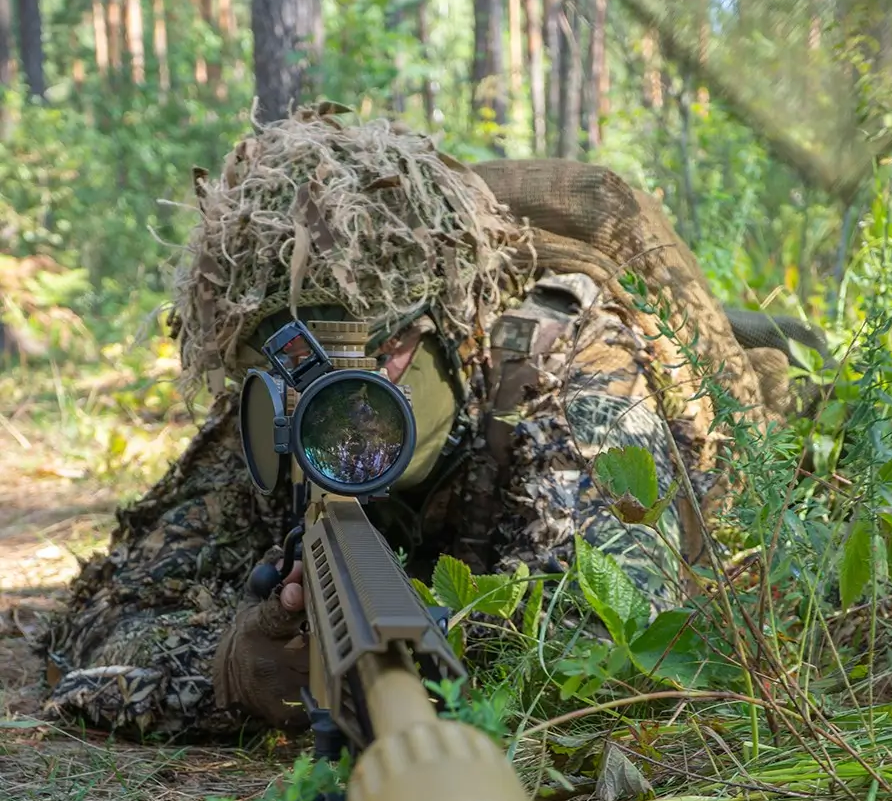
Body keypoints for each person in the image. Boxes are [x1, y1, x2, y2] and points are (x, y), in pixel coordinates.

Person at [44, 115, 810, 739]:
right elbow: (103, 622)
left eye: (371, 360)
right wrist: (234, 667)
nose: (331, 407)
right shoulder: (280, 406)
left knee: (800, 378)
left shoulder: (569, 373)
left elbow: (610, 658)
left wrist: (420, 651)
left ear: (442, 324)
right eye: (289, 367)